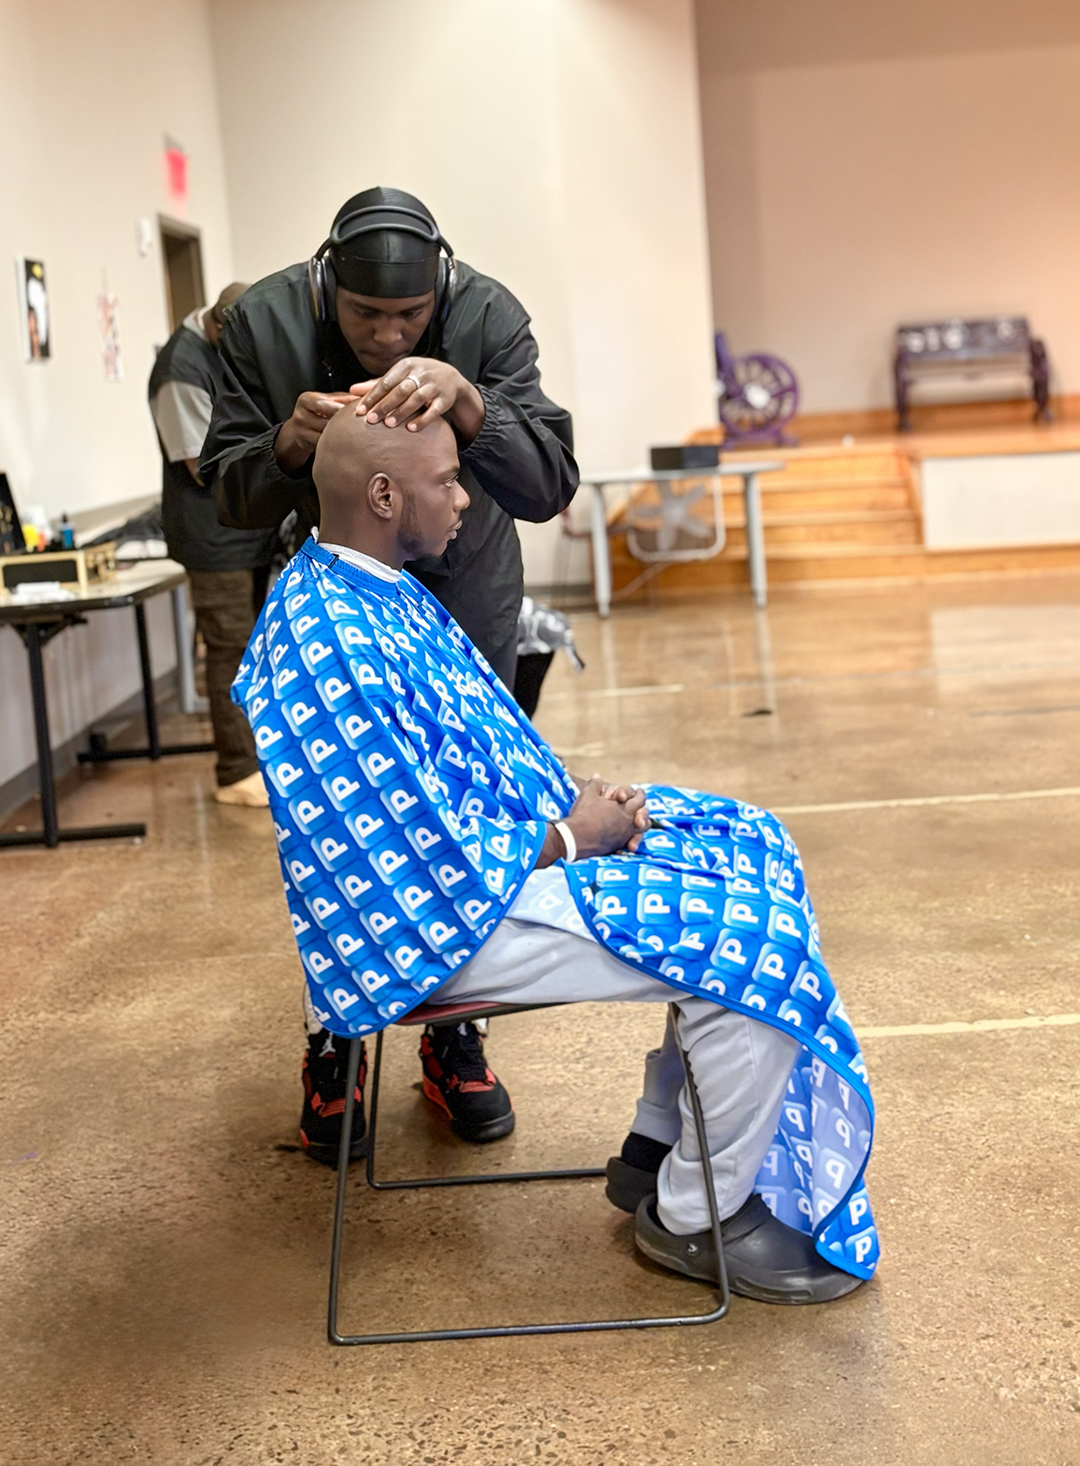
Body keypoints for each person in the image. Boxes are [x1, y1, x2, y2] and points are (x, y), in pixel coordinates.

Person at [230, 407, 880, 1302]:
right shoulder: (328, 636)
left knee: (748, 838)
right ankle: (700, 1216)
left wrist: (583, 804)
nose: (464, 498)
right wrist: (578, 833)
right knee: (754, 936)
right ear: (382, 494)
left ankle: (659, 1149)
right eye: (446, 480)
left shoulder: (370, 586)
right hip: (431, 934)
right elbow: (409, 862)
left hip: (488, 872)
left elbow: (459, 767)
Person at [203, 185, 577, 1149]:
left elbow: (549, 484)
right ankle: (336, 1038)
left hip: (465, 588)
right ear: (327, 288)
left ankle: (455, 1036)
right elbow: (225, 488)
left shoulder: (489, 316)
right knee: (336, 821)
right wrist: (287, 443)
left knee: (471, 798)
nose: (383, 335)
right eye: (365, 315)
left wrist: (471, 402)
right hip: (343, 598)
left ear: (439, 294)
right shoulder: (266, 319)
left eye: (406, 318)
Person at [149, 283, 278, 806]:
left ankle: (258, 758)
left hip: (244, 528)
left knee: (254, 647)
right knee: (229, 646)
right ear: (220, 327)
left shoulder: (224, 344)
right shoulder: (181, 368)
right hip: (211, 534)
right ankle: (235, 771)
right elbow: (202, 465)